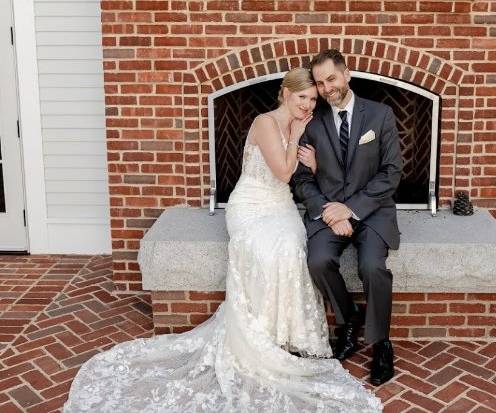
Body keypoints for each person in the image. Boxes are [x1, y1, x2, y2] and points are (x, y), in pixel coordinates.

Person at [62, 68, 382, 412]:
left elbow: (309, 177)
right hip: (250, 205)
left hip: (280, 204)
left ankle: (285, 333)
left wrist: (316, 163)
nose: (307, 105)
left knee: (291, 246)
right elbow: (285, 172)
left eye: (312, 100)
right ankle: (261, 337)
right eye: (301, 97)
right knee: (263, 247)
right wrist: (301, 134)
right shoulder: (266, 122)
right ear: (285, 93)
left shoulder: (302, 124)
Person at [293, 50, 403, 386]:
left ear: (347, 75)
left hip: (371, 210)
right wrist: (329, 211)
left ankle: (381, 342)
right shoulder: (311, 122)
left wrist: (351, 209)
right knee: (318, 260)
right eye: (320, 82)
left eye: (332, 78)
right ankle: (349, 319)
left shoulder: (380, 115)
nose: (327, 88)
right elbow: (301, 179)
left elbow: (391, 172)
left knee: (372, 266)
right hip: (329, 212)